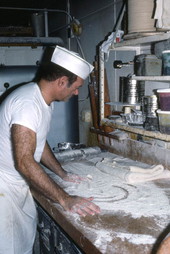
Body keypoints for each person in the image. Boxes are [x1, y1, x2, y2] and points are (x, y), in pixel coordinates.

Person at [0, 45, 101, 254]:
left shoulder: (42, 99)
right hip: (4, 188)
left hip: (16, 184)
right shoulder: (28, 103)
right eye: (76, 87)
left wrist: (61, 172)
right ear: (62, 81)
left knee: (22, 243)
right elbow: (24, 161)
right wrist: (65, 199)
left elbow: (38, 141)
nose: (76, 92)